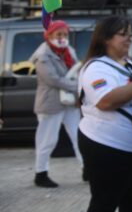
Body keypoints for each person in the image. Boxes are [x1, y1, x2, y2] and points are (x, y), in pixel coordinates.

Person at [77, 15, 132, 212]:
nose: (129, 39)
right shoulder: (96, 67)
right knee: (105, 202)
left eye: (131, 34)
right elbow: (106, 101)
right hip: (108, 146)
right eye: (122, 34)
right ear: (106, 38)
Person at [32, 20, 83, 187]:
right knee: (47, 140)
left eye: (65, 34)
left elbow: (77, 72)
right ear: (49, 36)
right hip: (51, 103)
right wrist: (77, 87)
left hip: (70, 102)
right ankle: (41, 174)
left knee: (80, 137)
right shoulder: (43, 56)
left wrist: (77, 95)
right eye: (59, 34)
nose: (62, 38)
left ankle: (88, 169)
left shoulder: (69, 51)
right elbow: (52, 80)